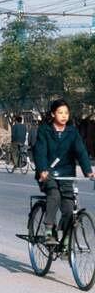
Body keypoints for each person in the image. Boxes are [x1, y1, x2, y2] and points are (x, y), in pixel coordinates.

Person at [34, 99, 94, 246]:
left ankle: (66, 239)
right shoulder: (44, 130)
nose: (63, 116)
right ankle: (49, 228)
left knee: (68, 207)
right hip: (48, 173)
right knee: (54, 195)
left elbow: (81, 151)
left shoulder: (72, 132)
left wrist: (88, 170)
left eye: (66, 113)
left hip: (67, 173)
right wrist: (42, 170)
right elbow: (40, 151)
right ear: (53, 114)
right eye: (60, 112)